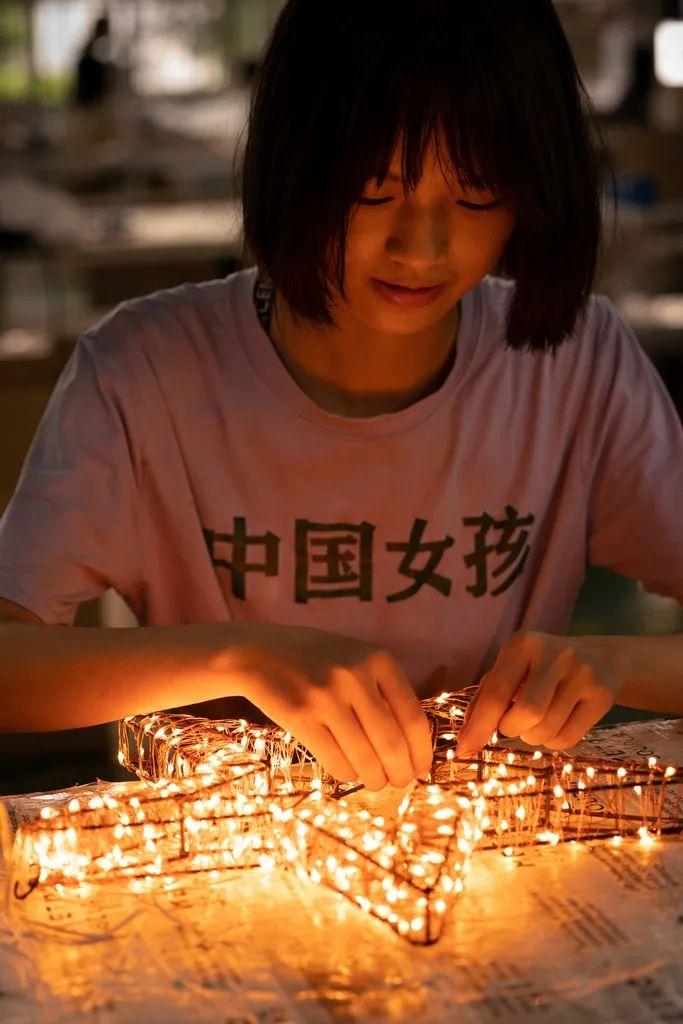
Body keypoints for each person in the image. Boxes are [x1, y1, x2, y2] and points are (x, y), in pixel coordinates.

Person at [0, 0, 682, 790]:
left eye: (475, 196)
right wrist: (238, 658)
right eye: (371, 190)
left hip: (490, 837)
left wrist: (613, 663)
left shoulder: (576, 365)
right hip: (236, 843)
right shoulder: (145, 370)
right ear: (293, 168)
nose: (420, 247)